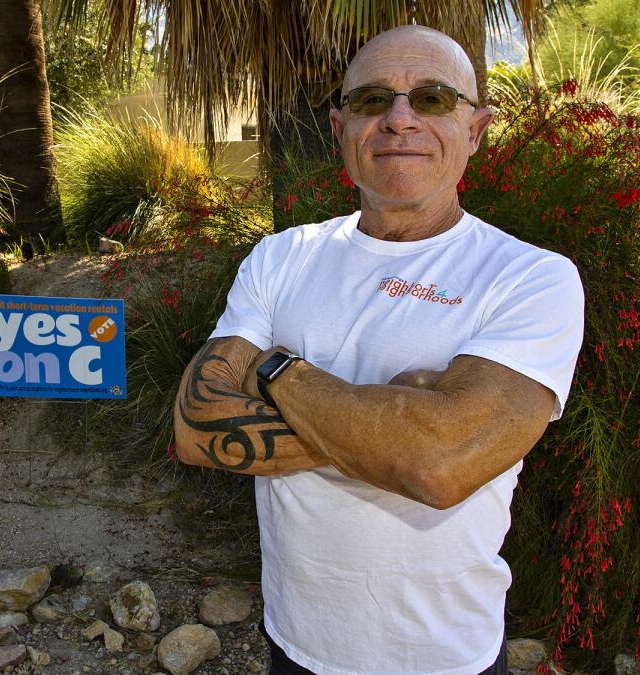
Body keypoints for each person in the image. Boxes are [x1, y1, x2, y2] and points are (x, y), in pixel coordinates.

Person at [173, 26, 584, 675]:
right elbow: (196, 425)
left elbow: (438, 462)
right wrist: (400, 421)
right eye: (372, 100)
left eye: (431, 97)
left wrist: (274, 368)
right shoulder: (282, 255)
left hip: (446, 656)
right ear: (340, 127)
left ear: (475, 129)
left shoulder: (530, 276)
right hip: (296, 645)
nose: (399, 119)